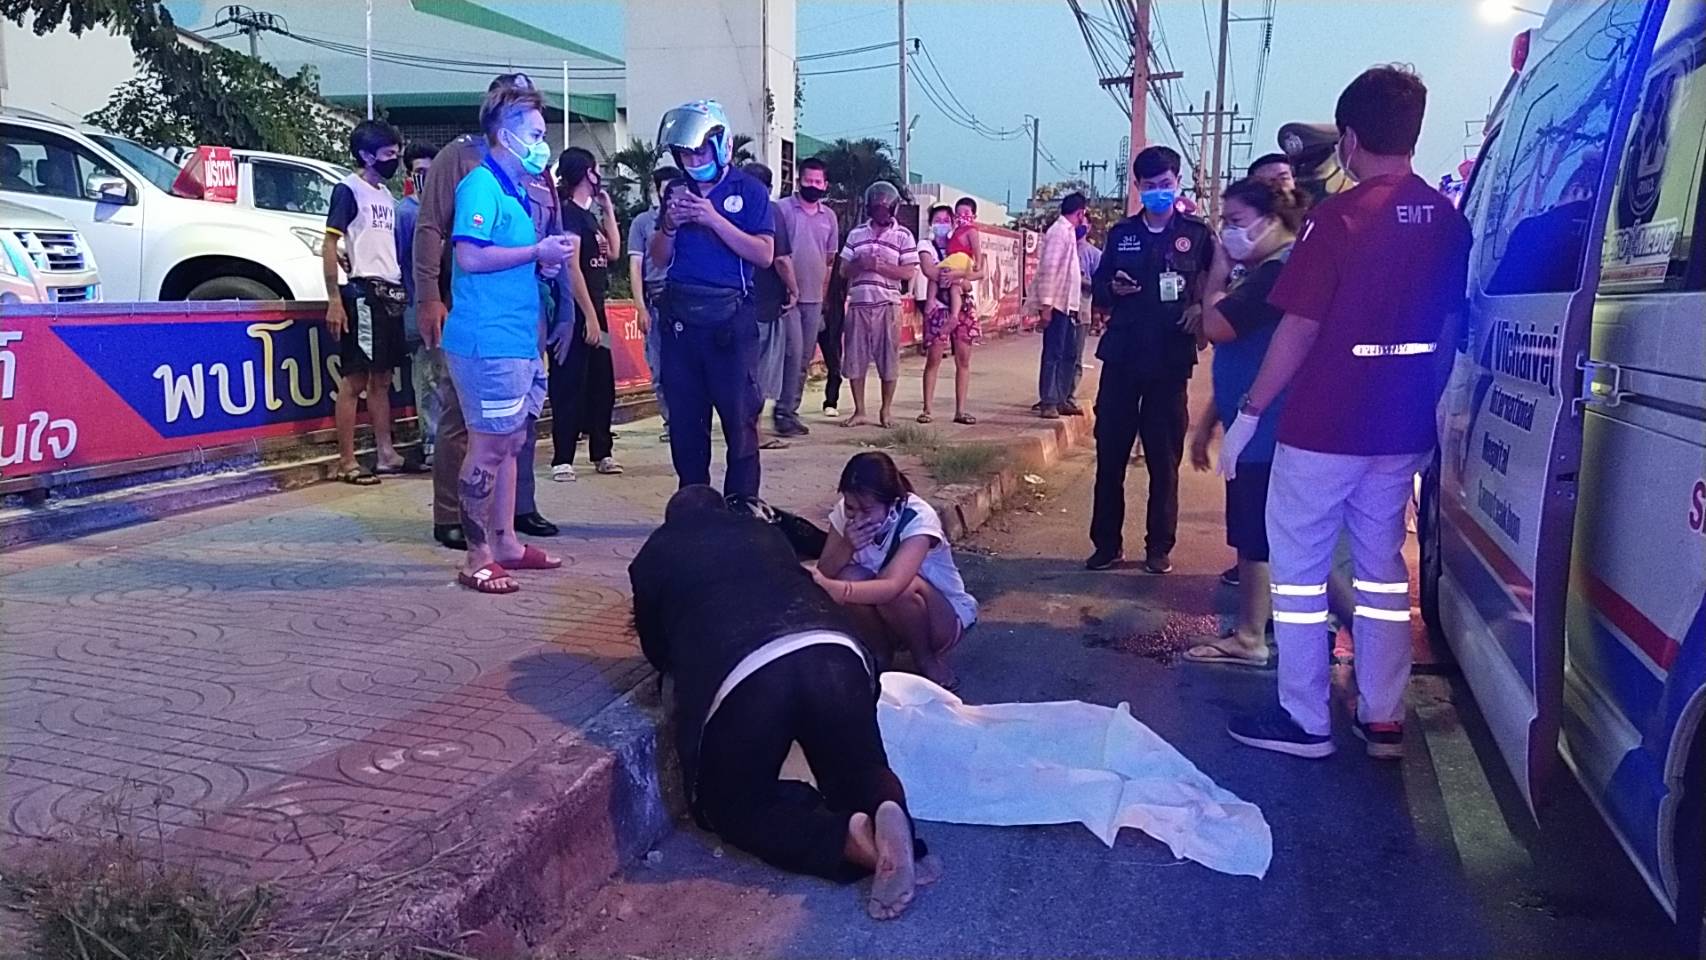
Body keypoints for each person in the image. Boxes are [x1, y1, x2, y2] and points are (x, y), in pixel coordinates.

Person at [1220, 65, 1471, 760]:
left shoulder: (1338, 218)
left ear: (1351, 140)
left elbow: (1299, 328)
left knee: (1299, 576)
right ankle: (1382, 714)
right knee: (1382, 569)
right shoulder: (1448, 221)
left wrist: (1249, 412)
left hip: (1325, 428)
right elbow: (1450, 328)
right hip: (1401, 431)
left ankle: (1305, 719)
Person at [629, 485, 934, 920]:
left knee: (735, 803)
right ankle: (886, 808)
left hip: (748, 672)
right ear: (724, 510)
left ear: (669, 522)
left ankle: (847, 840)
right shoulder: (763, 531)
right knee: (858, 767)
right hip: (836, 649)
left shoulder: (653, 555)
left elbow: (658, 652)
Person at [414, 73, 564, 551]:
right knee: (484, 446)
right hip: (488, 338)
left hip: (519, 335)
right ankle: (476, 553)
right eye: (536, 134)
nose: (543, 145)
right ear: (506, 133)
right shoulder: (476, 179)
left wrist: (544, 263)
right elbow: (467, 253)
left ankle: (507, 541)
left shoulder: (517, 185)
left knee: (512, 442)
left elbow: (519, 250)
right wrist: (537, 252)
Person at [1183, 177, 1304, 666]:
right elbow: (1244, 358)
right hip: (1254, 424)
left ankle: (1252, 636)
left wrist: (1216, 273)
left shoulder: (1277, 272)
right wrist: (1210, 421)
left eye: (1235, 221)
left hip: (1267, 428)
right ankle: (1261, 632)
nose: (1227, 232)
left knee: (1259, 538)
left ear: (1270, 221)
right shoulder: (1265, 270)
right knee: (1264, 538)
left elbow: (1216, 326)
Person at [1086, 146, 1219, 575]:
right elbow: (1099, 286)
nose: (1159, 191)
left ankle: (1159, 547)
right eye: (1150, 186)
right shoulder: (1122, 233)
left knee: (1164, 461)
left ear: (1178, 183)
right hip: (1123, 356)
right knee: (1110, 456)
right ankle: (1106, 545)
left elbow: (1222, 282)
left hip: (1170, 360)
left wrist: (1201, 307)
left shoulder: (1197, 235)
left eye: (1166, 184)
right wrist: (1113, 288)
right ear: (1138, 188)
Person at [649, 100, 775, 504]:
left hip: (730, 322)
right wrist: (670, 224)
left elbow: (764, 254)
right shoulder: (676, 191)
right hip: (681, 321)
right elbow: (658, 258)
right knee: (686, 422)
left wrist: (712, 219)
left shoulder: (749, 190)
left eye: (700, 151)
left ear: (721, 146)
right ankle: (694, 503)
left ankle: (742, 504)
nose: (693, 161)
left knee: (740, 418)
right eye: (685, 154)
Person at [813, 451, 978, 691]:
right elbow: (825, 571)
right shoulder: (844, 514)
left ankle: (926, 659)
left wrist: (840, 591)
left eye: (867, 510)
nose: (857, 517)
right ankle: (880, 653)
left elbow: (893, 585)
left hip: (940, 619)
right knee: (849, 575)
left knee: (900, 589)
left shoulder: (918, 518)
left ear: (892, 503)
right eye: (851, 508)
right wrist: (847, 546)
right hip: (888, 618)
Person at [322, 120, 415, 485]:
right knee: (355, 379)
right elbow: (330, 243)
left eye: (397, 153)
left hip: (390, 290)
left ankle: (386, 452)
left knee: (383, 378)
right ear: (366, 155)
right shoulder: (348, 190)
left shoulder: (386, 196)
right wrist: (334, 298)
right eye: (388, 153)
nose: (394, 160)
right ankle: (346, 461)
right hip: (363, 292)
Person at [549, 147, 622, 481]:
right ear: (584, 173)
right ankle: (563, 457)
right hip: (575, 313)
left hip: (598, 309)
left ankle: (602, 451)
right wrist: (588, 315)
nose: (598, 176)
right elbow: (571, 267)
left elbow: (614, 252)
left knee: (602, 382)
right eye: (595, 170)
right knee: (570, 382)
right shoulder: (568, 215)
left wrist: (608, 210)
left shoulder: (589, 216)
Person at [838, 181, 919, 429]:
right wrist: (861, 264)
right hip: (859, 303)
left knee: (888, 359)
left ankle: (886, 411)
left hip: (888, 304)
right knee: (855, 358)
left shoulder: (904, 235)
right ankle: (860, 411)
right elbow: (843, 270)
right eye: (877, 207)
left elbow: (908, 272)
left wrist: (880, 266)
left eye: (885, 207)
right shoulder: (856, 234)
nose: (881, 211)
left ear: (893, 208)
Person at [775, 156, 841, 437]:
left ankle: (789, 411)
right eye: (808, 180)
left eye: (818, 181)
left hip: (814, 299)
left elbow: (829, 261)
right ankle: (780, 410)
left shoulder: (829, 218)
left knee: (803, 359)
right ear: (798, 181)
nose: (813, 185)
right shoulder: (782, 210)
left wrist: (824, 297)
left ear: (825, 185)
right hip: (785, 297)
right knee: (789, 355)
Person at [743, 161, 799, 444]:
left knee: (740, 372)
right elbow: (781, 260)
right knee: (761, 372)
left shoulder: (729, 208)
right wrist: (794, 289)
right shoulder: (770, 210)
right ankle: (754, 431)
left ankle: (742, 429)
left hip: (734, 304)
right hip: (765, 306)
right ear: (769, 187)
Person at [627, 166, 682, 443]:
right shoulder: (642, 222)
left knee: (686, 368)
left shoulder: (688, 218)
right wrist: (640, 307)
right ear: (657, 189)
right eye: (666, 189)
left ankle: (689, 421)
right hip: (656, 299)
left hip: (685, 300)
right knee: (659, 368)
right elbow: (635, 266)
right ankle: (672, 422)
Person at [1025, 192, 1089, 420]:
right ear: (1080, 213)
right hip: (1057, 304)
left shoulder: (1068, 232)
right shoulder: (1058, 232)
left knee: (1069, 353)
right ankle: (1049, 401)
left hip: (1068, 304)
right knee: (1054, 352)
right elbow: (1049, 270)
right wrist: (1046, 306)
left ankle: (1061, 398)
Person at [917, 204, 982, 425]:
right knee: (934, 358)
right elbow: (929, 271)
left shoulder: (960, 242)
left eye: (946, 220)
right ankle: (927, 409)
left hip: (963, 306)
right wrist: (960, 278)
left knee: (963, 359)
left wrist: (961, 278)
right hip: (938, 306)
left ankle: (960, 410)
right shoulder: (926, 245)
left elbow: (979, 272)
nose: (942, 224)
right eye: (938, 220)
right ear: (931, 223)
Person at [398, 141, 442, 463]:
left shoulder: (447, 211)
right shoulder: (406, 213)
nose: (426, 177)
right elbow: (400, 262)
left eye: (431, 171)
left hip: (449, 307)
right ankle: (432, 443)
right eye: (420, 172)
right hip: (419, 309)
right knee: (428, 377)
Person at [936, 197, 982, 337]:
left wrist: (978, 263)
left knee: (954, 286)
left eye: (966, 213)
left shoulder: (971, 230)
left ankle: (954, 316)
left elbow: (977, 249)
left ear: (974, 216)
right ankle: (947, 311)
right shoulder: (955, 231)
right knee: (946, 281)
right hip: (953, 261)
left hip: (962, 261)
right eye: (959, 213)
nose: (962, 216)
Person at [1071, 224, 1101, 407]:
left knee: (1075, 356)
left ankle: (1069, 396)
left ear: (1088, 227)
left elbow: (1100, 285)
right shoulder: (1063, 247)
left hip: (1082, 310)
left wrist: (1079, 280)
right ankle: (1050, 397)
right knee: (1055, 356)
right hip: (1061, 310)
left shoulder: (1094, 254)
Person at [820, 255, 850, 419]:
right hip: (808, 306)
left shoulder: (840, 258)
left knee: (834, 359)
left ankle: (831, 401)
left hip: (833, 311)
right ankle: (788, 408)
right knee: (798, 360)